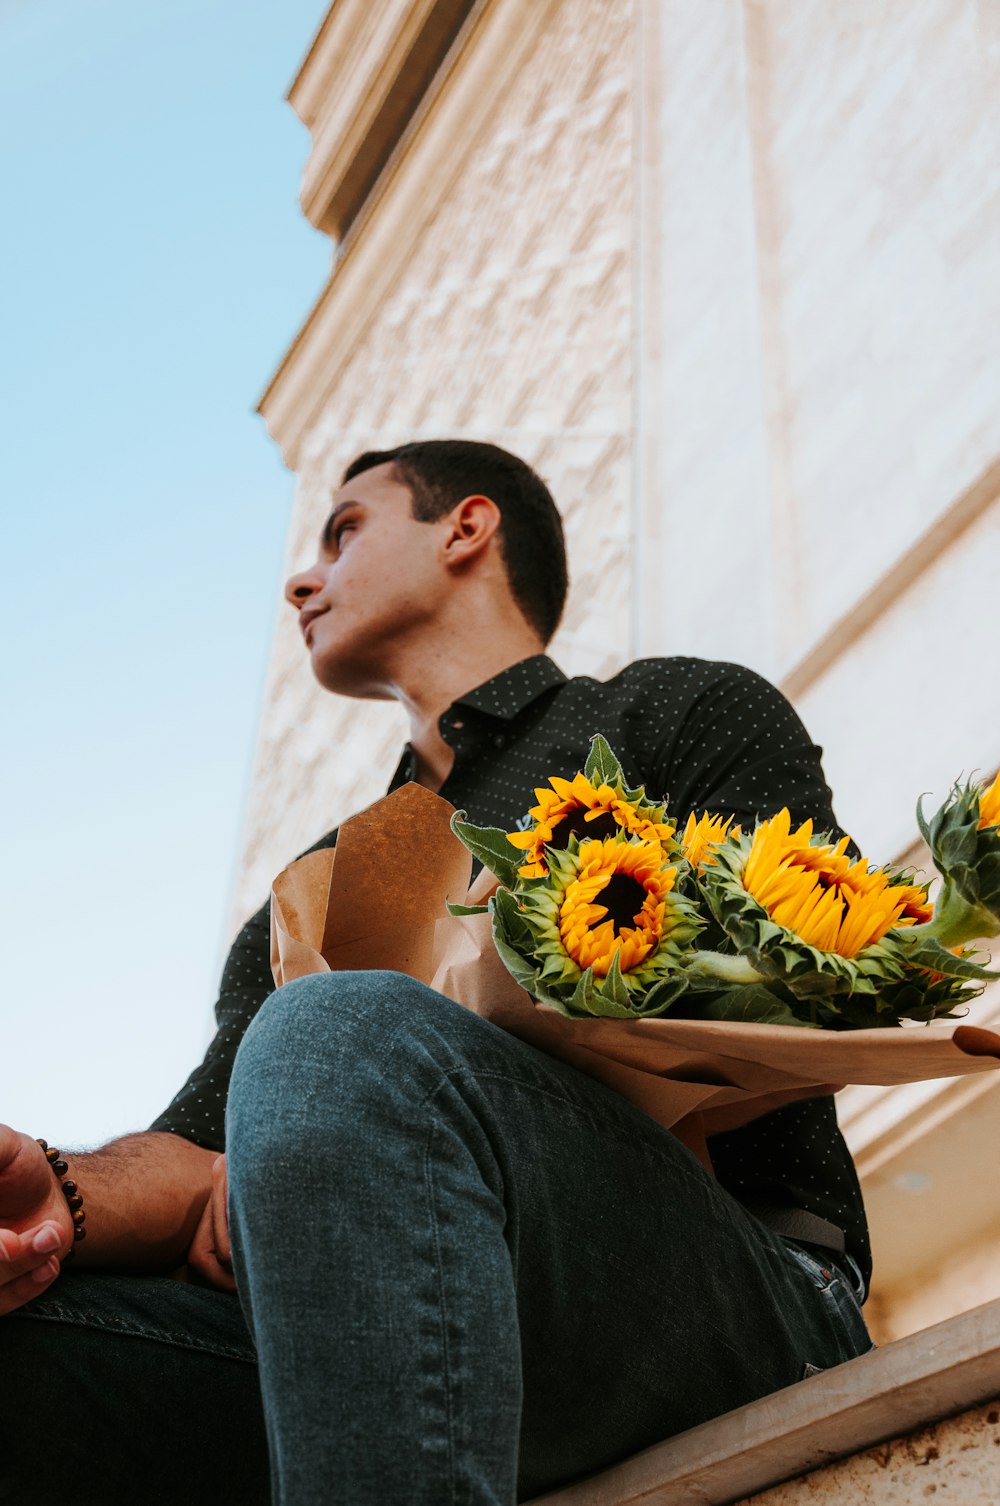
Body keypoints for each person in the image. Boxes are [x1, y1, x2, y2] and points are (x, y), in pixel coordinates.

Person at [0, 441, 873, 1506]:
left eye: (346, 529)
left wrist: (383, 1075)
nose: (300, 577)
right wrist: (58, 1194)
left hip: (734, 1287)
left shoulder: (676, 712)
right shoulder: (319, 884)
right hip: (361, 1331)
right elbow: (196, 1157)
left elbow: (813, 983)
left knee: (338, 1035)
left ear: (465, 529)